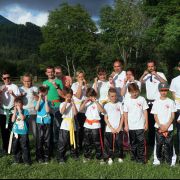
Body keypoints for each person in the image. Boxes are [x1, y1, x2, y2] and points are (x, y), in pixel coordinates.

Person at [140, 60, 167, 147]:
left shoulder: (160, 74)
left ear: (155, 66)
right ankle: (151, 142)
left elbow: (165, 83)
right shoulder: (147, 76)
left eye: (152, 66)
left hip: (158, 102)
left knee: (159, 122)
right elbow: (139, 82)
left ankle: (161, 140)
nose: (150, 68)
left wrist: (156, 75)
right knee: (151, 123)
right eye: (149, 66)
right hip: (149, 102)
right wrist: (144, 74)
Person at [151, 82, 177, 166]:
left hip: (169, 127)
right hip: (159, 127)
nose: (164, 92)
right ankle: (157, 160)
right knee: (158, 144)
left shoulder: (171, 102)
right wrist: (161, 126)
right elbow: (155, 116)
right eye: (162, 90)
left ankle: (172, 160)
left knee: (170, 144)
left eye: (165, 90)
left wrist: (167, 126)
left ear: (168, 91)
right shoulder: (156, 102)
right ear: (159, 91)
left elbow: (173, 116)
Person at [124, 83, 149, 164]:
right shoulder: (127, 100)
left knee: (141, 143)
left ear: (138, 90)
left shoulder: (142, 99)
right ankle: (134, 157)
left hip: (140, 125)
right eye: (132, 92)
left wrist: (146, 123)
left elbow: (145, 111)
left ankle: (141, 158)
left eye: (136, 91)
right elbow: (125, 113)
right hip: (131, 126)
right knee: (133, 143)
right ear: (129, 92)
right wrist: (126, 125)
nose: (135, 93)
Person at [80, 88, 105, 163]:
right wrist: (85, 102)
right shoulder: (86, 103)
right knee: (87, 142)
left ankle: (99, 157)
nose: (90, 98)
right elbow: (80, 110)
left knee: (97, 142)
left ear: (95, 95)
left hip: (96, 125)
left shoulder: (99, 102)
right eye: (89, 96)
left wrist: (96, 102)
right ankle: (87, 156)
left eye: (91, 96)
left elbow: (102, 111)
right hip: (87, 124)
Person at [43, 66, 64, 147]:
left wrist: (56, 86)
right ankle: (50, 145)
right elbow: (43, 95)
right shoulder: (44, 82)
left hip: (57, 106)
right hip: (47, 106)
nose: (50, 73)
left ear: (54, 72)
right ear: (46, 73)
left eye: (51, 71)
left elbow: (62, 95)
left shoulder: (58, 81)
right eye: (48, 72)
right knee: (49, 125)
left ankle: (59, 144)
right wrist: (44, 90)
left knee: (58, 125)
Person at [0, 71, 20, 154]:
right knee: (4, 132)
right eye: (5, 78)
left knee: (13, 131)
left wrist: (13, 94)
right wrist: (1, 91)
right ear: (2, 79)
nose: (7, 79)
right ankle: (5, 149)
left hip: (12, 112)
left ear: (10, 78)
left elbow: (18, 99)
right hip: (2, 112)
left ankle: (14, 148)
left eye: (8, 77)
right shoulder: (0, 87)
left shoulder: (14, 86)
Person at [104, 88, 124, 165]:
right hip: (109, 129)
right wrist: (111, 128)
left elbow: (122, 116)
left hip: (119, 129)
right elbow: (105, 118)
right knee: (108, 144)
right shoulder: (106, 105)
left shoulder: (119, 104)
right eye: (112, 96)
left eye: (115, 96)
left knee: (119, 143)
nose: (114, 98)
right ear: (108, 96)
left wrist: (119, 127)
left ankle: (120, 156)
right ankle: (109, 157)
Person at [58, 88, 78, 163]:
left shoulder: (73, 104)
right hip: (65, 126)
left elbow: (75, 113)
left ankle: (74, 154)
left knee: (73, 141)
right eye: (67, 96)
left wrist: (73, 104)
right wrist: (66, 103)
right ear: (65, 96)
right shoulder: (62, 104)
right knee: (63, 142)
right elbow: (62, 112)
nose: (69, 98)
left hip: (73, 125)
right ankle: (61, 157)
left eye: (70, 96)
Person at [11, 97, 31, 165]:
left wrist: (19, 110)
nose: (17, 106)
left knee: (24, 146)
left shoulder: (26, 111)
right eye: (16, 105)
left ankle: (26, 161)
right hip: (16, 132)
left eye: (19, 105)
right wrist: (14, 112)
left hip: (23, 132)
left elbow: (22, 118)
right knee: (16, 146)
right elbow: (12, 120)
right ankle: (17, 160)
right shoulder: (14, 112)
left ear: (22, 105)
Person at [34, 86, 51, 164]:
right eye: (41, 93)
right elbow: (37, 109)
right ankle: (39, 157)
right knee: (39, 139)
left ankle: (46, 157)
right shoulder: (37, 101)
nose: (43, 94)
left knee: (47, 139)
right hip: (39, 122)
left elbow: (47, 111)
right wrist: (40, 99)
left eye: (44, 93)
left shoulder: (49, 101)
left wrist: (46, 101)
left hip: (47, 121)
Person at [71, 71, 87, 151]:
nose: (81, 78)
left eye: (82, 76)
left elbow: (88, 95)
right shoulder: (74, 85)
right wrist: (80, 85)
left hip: (85, 110)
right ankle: (76, 146)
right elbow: (78, 95)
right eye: (79, 77)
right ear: (76, 77)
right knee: (78, 128)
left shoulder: (85, 85)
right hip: (77, 110)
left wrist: (86, 85)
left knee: (84, 129)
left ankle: (83, 145)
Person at [20, 73, 38, 139]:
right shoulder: (20, 89)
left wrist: (35, 94)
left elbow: (38, 99)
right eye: (25, 81)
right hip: (23, 113)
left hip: (33, 112)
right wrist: (20, 96)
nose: (27, 83)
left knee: (35, 131)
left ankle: (38, 147)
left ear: (31, 81)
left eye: (29, 81)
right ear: (22, 81)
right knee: (24, 132)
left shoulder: (35, 88)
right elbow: (17, 101)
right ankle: (25, 148)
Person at [170, 62, 180, 163]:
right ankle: (175, 152)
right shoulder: (175, 80)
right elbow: (173, 93)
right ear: (178, 68)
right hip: (177, 107)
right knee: (176, 130)